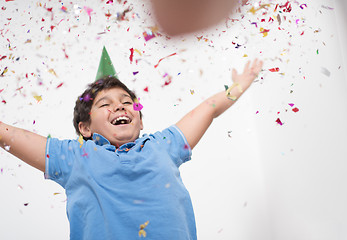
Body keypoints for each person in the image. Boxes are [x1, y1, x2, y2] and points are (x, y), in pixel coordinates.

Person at [0, 47, 263, 239]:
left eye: (127, 102)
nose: (120, 107)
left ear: (139, 121)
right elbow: (7, 135)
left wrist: (237, 88)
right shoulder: (73, 156)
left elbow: (208, 110)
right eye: (105, 104)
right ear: (85, 127)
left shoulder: (163, 145)